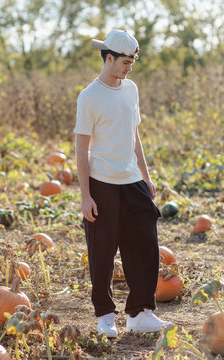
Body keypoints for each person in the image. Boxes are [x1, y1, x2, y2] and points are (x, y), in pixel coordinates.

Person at [74, 29, 171, 338]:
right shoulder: (89, 97)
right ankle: (104, 316)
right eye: (126, 62)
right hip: (101, 182)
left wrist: (146, 175)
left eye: (132, 62)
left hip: (132, 181)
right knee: (102, 251)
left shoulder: (131, 90)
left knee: (145, 244)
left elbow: (134, 135)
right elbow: (81, 147)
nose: (130, 68)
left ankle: (141, 313)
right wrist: (85, 195)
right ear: (109, 58)